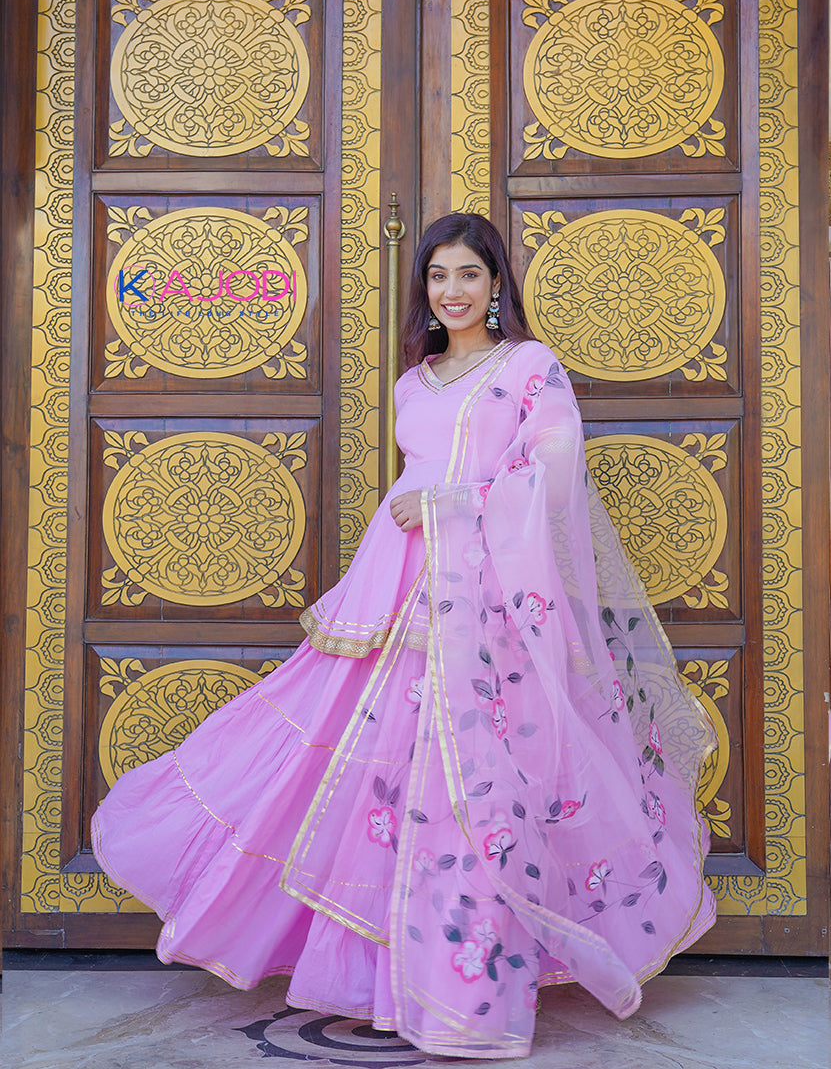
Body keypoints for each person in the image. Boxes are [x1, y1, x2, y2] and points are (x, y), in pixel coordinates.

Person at [92, 212, 717, 1059]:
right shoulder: (411, 384)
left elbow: (552, 474)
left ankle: (464, 995)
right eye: (437, 276)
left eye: (468, 274)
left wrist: (457, 504)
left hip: (488, 599)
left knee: (473, 786)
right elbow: (414, 482)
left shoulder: (528, 367)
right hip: (392, 592)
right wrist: (425, 511)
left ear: (495, 284)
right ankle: (384, 981)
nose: (452, 291)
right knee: (374, 782)